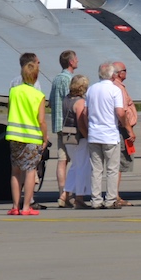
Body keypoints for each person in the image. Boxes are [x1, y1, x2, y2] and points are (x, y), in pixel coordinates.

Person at [6, 53, 48, 216]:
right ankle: (26, 207)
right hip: (32, 136)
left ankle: (15, 206)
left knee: (15, 172)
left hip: (15, 135)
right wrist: (45, 138)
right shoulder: (38, 95)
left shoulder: (14, 91)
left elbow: (10, 111)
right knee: (30, 171)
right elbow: (41, 120)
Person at [83, 61, 126, 209]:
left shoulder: (91, 89)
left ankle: (95, 200)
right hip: (110, 134)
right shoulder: (115, 90)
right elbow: (120, 112)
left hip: (94, 134)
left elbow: (85, 113)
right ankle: (110, 199)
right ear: (112, 75)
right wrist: (125, 123)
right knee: (112, 169)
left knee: (96, 169)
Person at [48, 50, 79, 208]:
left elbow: (51, 100)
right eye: (76, 59)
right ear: (71, 62)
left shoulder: (56, 79)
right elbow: (72, 101)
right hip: (70, 125)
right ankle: (69, 194)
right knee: (75, 160)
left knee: (62, 160)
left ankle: (62, 193)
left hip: (58, 124)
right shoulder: (70, 80)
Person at [61, 74, 92, 209]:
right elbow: (81, 123)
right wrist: (88, 137)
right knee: (82, 167)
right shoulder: (80, 102)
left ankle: (65, 195)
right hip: (79, 138)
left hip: (67, 136)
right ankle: (79, 197)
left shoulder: (66, 99)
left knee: (75, 166)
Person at [112, 61, 137, 207]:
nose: (126, 73)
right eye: (125, 70)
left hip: (120, 128)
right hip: (122, 128)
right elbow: (121, 112)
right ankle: (115, 195)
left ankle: (114, 194)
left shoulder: (116, 87)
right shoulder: (118, 88)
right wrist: (129, 130)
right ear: (119, 73)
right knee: (119, 163)